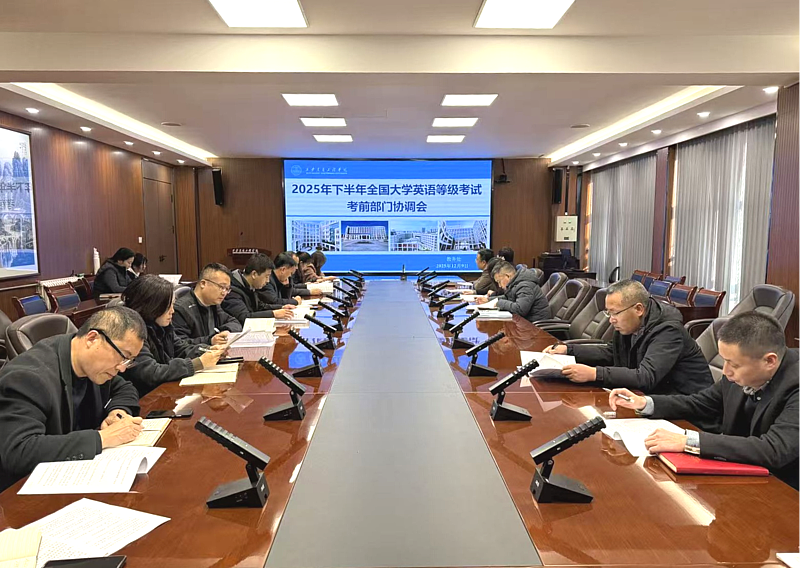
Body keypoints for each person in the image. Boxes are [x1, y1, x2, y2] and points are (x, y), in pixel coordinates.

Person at [609, 312, 800, 490]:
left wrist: (689, 441)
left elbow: (774, 449)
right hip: (740, 477)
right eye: (724, 361)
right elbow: (701, 403)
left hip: (783, 491)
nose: (725, 371)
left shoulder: (795, 383)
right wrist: (645, 403)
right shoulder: (741, 372)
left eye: (734, 364)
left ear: (770, 361)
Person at [0, 307, 146, 491]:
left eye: (128, 361)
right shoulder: (27, 377)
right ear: (92, 339)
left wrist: (117, 413)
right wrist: (102, 438)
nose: (122, 368)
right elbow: (19, 452)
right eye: (123, 356)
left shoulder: (92, 366)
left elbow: (125, 388)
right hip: (25, 492)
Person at [546, 279, 713, 395]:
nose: (611, 319)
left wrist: (595, 373)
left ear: (638, 309)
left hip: (685, 410)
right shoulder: (631, 323)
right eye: (608, 313)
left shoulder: (668, 330)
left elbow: (646, 376)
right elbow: (612, 352)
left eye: (615, 313)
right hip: (651, 399)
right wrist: (569, 350)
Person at [121, 275, 225, 396]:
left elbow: (180, 348)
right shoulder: (132, 333)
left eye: (173, 305)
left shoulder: (162, 325)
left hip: (163, 392)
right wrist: (197, 364)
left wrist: (208, 350)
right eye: (168, 307)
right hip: (147, 396)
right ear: (152, 306)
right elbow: (152, 373)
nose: (172, 311)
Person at [173, 263, 243, 345]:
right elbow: (179, 345)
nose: (224, 293)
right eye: (221, 287)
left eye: (227, 289)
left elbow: (235, 323)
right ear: (203, 283)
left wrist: (225, 331)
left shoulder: (213, 305)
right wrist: (210, 341)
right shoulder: (181, 309)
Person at [222, 253, 294, 323]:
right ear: (254, 274)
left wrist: (281, 307)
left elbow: (260, 306)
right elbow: (244, 317)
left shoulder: (250, 286)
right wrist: (273, 314)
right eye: (266, 276)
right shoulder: (232, 291)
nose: (268, 281)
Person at [476, 260, 550, 323]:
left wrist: (499, 303)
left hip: (535, 326)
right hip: (525, 322)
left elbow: (520, 309)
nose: (499, 286)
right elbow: (508, 297)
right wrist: (488, 300)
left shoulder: (525, 286)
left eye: (499, 281)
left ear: (507, 276)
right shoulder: (516, 282)